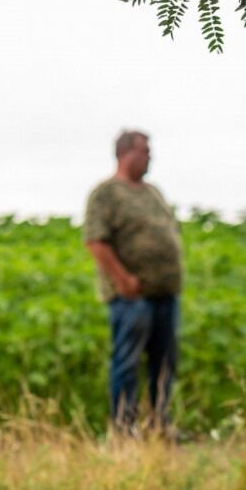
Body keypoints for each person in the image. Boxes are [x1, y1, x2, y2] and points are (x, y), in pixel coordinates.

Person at [84, 131, 183, 431]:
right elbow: (95, 240)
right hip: (132, 296)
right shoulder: (106, 193)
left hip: (164, 292)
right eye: (145, 151)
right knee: (127, 362)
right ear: (125, 153)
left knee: (164, 363)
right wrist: (123, 279)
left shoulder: (152, 192)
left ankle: (159, 423)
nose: (149, 156)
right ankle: (124, 426)